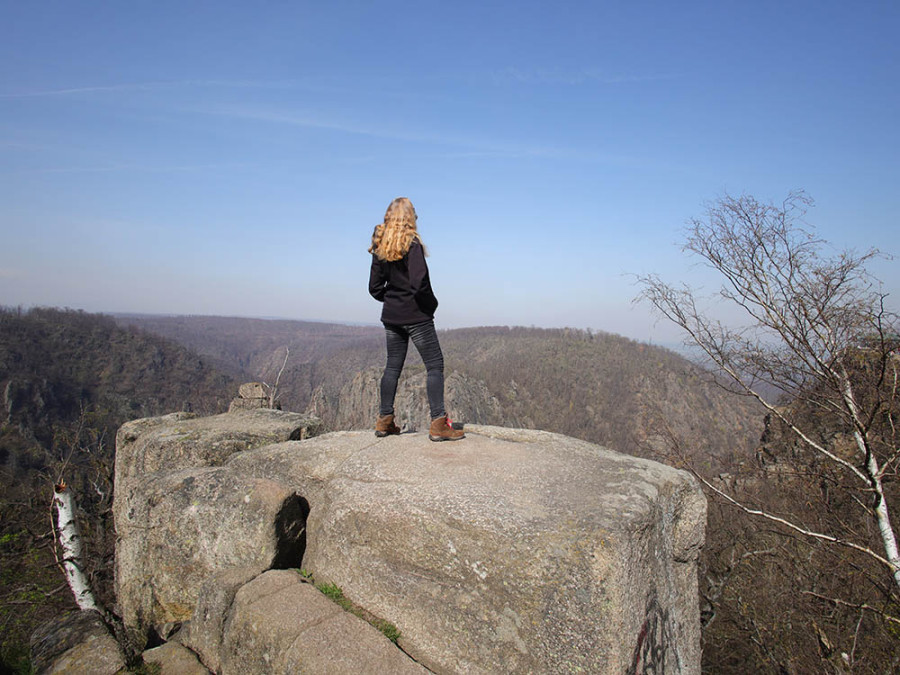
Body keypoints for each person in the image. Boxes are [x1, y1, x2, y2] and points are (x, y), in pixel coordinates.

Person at [368, 197, 464, 442]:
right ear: (410, 218)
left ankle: (384, 421)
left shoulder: (381, 246)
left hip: (391, 316)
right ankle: (438, 424)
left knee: (392, 367)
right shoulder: (412, 245)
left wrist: (391, 299)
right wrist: (431, 305)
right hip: (416, 315)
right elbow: (420, 283)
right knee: (434, 365)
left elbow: (374, 287)